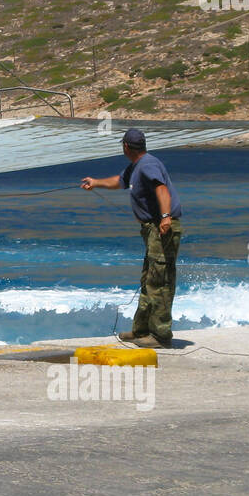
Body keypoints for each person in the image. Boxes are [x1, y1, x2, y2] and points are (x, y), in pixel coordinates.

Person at [80, 129, 183, 348]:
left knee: (160, 281)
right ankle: (141, 330)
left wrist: (165, 217)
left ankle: (161, 336)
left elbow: (162, 189)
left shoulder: (148, 165)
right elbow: (120, 181)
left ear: (126, 147)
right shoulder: (137, 166)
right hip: (152, 230)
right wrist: (95, 182)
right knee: (149, 279)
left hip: (162, 228)